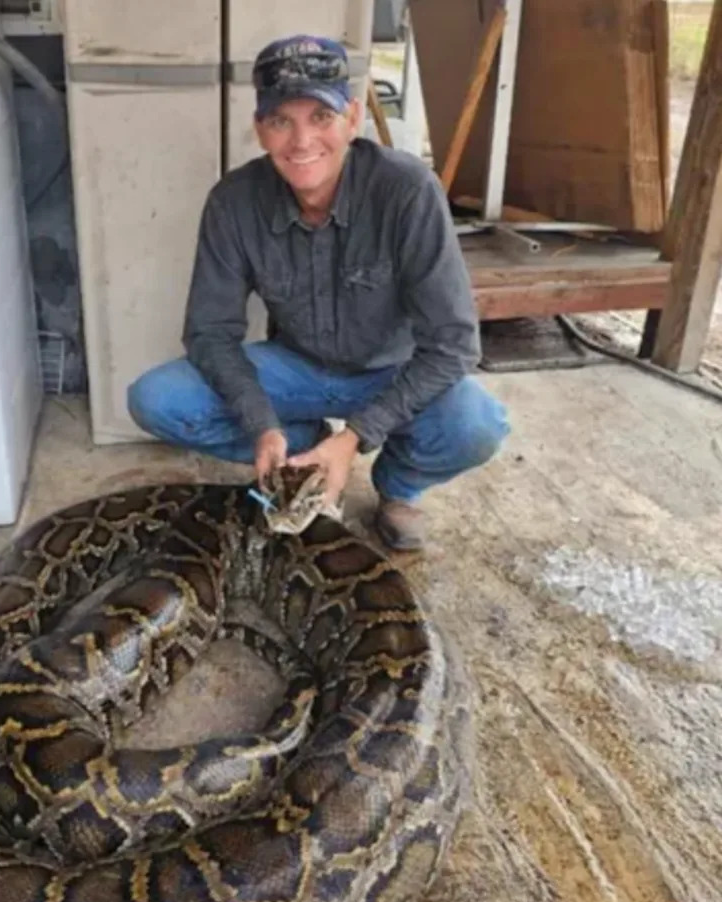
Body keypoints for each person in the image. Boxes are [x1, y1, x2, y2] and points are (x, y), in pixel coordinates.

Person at [127, 34, 509, 551]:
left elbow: (455, 344)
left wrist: (354, 438)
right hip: (295, 367)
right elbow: (210, 333)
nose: (301, 141)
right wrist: (262, 425)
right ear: (260, 129)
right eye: (282, 120)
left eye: (321, 118)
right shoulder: (233, 201)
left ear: (352, 118)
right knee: (156, 400)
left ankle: (398, 487)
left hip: (387, 371)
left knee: (477, 424)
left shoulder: (408, 190)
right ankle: (298, 446)